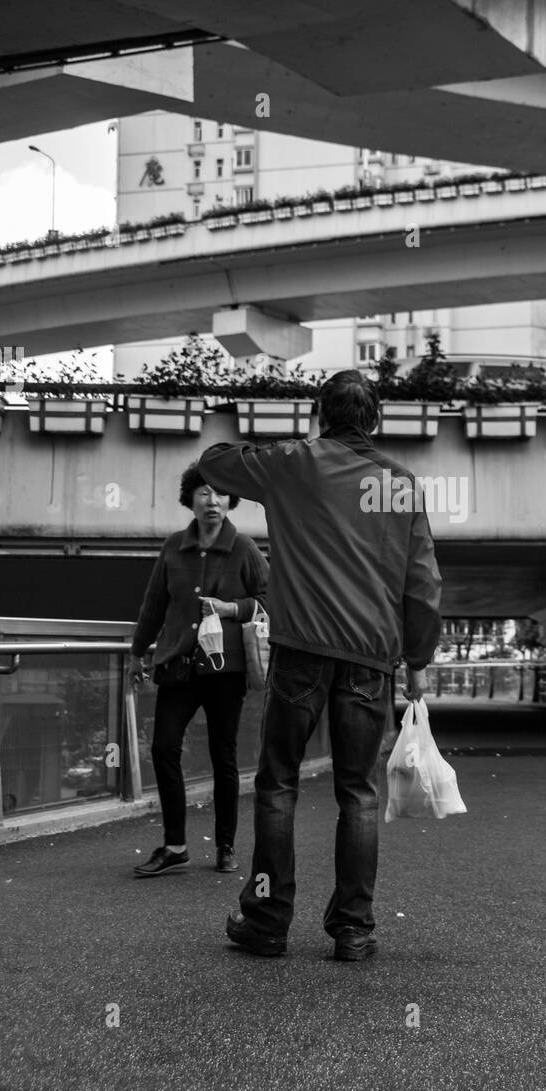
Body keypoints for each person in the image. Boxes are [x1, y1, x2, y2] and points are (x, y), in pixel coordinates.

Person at [199, 369, 442, 962]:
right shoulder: (400, 483)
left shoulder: (294, 463)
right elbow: (424, 581)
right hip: (369, 659)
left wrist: (277, 448)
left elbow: (214, 461)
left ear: (319, 416)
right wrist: (417, 662)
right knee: (357, 792)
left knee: (278, 783)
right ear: (376, 421)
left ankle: (267, 921)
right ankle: (354, 929)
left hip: (302, 650)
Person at [129, 463, 268, 878]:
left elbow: (272, 599)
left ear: (231, 502)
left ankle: (225, 846)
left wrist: (232, 608)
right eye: (205, 493)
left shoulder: (243, 547)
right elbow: (154, 604)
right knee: (163, 747)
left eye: (222, 494)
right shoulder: (173, 547)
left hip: (225, 668)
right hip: (178, 665)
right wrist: (137, 652)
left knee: (222, 756)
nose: (213, 501)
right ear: (190, 499)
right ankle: (175, 846)